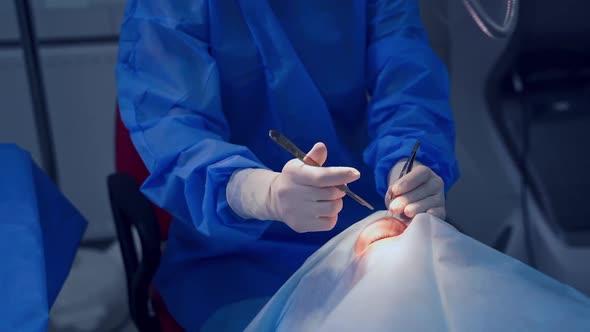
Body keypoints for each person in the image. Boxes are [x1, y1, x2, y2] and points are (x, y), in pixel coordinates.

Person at [116, 0, 459, 329]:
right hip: (232, 257)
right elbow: (175, 128)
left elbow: (405, 77)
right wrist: (255, 192)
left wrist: (408, 162)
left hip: (359, 226)